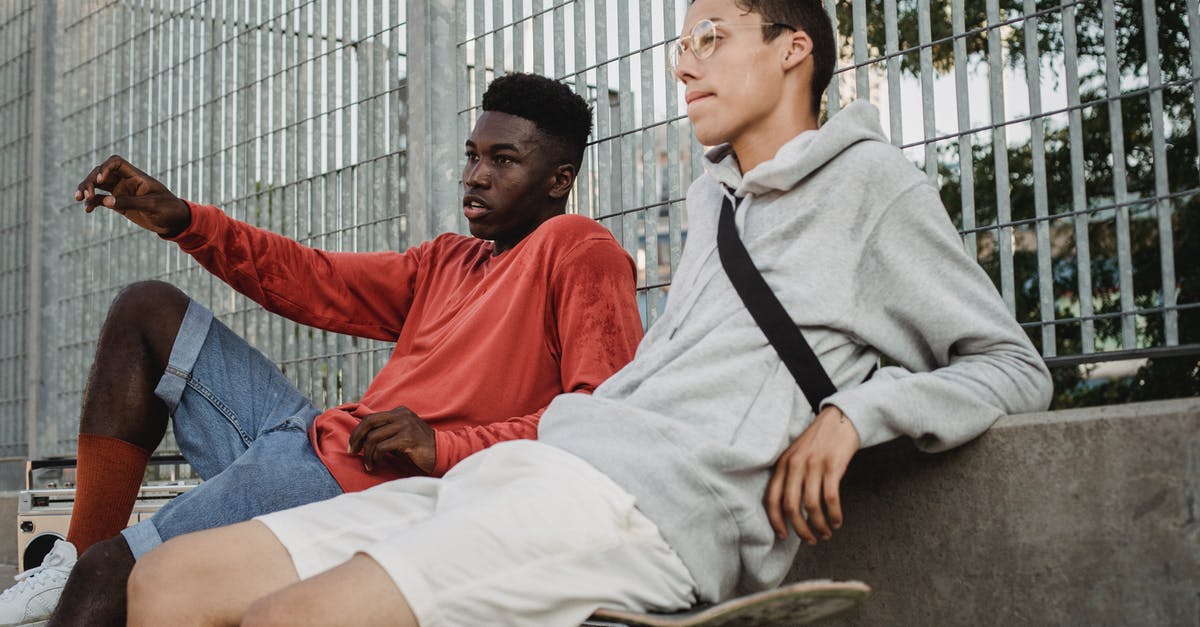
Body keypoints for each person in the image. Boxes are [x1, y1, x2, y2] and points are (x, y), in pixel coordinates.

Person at [125, 1, 1055, 625]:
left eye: (711, 39)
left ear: (792, 49)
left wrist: (856, 413)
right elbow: (319, 280)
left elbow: (1012, 365)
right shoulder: (711, 200)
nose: (682, 63)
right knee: (167, 581)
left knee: (292, 620)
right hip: (542, 466)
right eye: (681, 44)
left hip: (643, 512)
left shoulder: (871, 186)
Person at [0, 73, 646, 627]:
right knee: (146, 308)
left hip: (368, 479)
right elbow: (314, 279)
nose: (475, 175)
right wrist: (186, 221)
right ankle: (70, 556)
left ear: (559, 178)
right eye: (472, 154)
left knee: (115, 573)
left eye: (503, 160)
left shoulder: (577, 246)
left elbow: (598, 423)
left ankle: (88, 569)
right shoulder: (450, 259)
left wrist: (444, 444)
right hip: (317, 440)